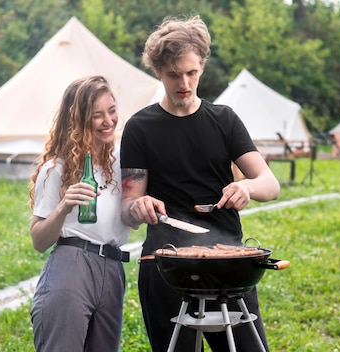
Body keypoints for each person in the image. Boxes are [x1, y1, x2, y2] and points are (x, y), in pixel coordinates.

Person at [120, 15, 281, 352]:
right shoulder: (140, 127)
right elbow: (128, 206)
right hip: (166, 265)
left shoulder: (224, 120)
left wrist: (247, 188)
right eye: (174, 74)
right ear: (158, 72)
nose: (184, 82)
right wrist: (140, 206)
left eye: (191, 72)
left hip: (229, 266)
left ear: (202, 67)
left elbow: (270, 184)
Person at [28, 75, 131, 352]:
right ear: (79, 121)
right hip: (72, 265)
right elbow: (38, 240)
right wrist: (63, 207)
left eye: (111, 111)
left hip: (113, 269)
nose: (108, 121)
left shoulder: (121, 161)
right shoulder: (56, 169)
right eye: (97, 115)